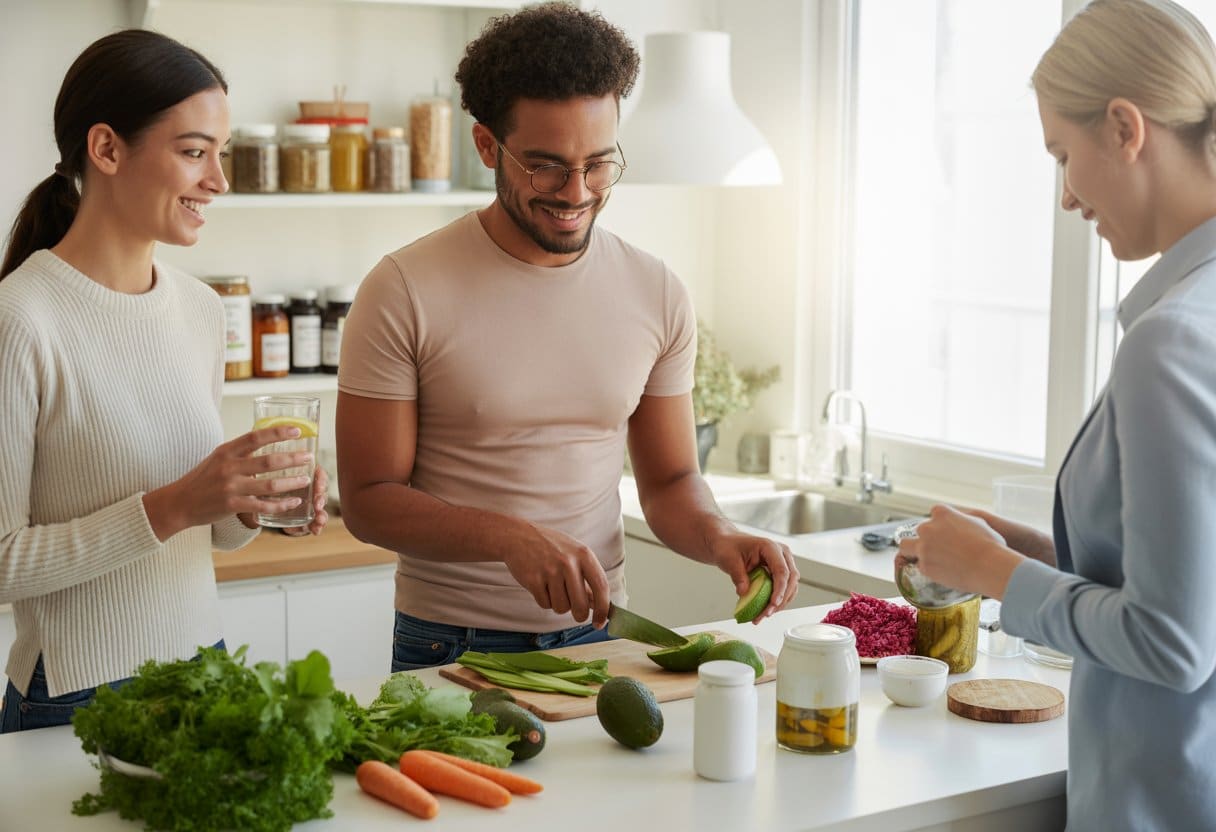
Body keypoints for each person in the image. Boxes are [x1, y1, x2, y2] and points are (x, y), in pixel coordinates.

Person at [337, 2, 800, 672]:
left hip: (602, 639)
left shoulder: (656, 290)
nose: (577, 191)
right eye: (546, 165)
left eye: (599, 163)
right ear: (487, 147)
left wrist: (719, 534)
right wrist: (508, 538)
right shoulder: (404, 287)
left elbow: (669, 481)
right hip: (452, 645)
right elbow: (369, 501)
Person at [895, 1, 1216, 827]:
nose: (1066, 196)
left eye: (1062, 155)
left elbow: (1172, 645)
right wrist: (1026, 550)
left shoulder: (1173, 342)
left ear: (1123, 128)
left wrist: (995, 575)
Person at [0, 29, 328, 733]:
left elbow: (203, 537)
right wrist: (175, 504)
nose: (219, 180)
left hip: (201, 671)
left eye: (222, 154)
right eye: (193, 153)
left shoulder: (201, 309)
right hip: (75, 697)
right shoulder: (21, 318)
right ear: (107, 149)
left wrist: (244, 502)